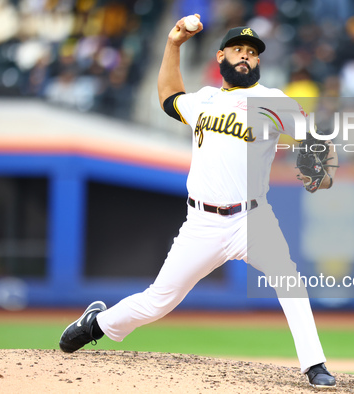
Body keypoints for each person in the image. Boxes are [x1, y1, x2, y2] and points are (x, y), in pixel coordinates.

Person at [59, 14, 337, 388]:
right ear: (220, 57)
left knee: (289, 281)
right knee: (159, 301)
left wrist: (318, 163)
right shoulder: (205, 100)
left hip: (252, 220)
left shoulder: (274, 101)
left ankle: (315, 366)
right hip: (202, 223)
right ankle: (96, 324)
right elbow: (169, 98)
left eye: (252, 53)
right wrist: (173, 44)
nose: (246, 56)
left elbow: (313, 140)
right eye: (238, 49)